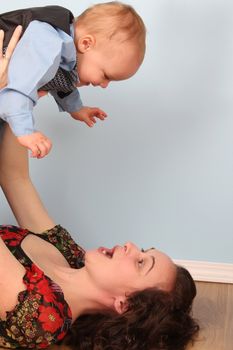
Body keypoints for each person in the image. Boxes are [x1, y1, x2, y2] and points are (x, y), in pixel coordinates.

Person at [0, 23, 199, 350]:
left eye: (140, 262)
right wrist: (26, 89)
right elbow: (14, 177)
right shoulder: (70, 255)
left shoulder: (41, 314)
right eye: (144, 250)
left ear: (124, 303)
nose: (131, 245)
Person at [0, 2, 146, 159]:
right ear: (86, 43)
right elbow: (18, 89)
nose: (104, 85)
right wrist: (26, 132)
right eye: (106, 75)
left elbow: (61, 80)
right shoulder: (47, 42)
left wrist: (77, 108)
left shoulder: (66, 51)